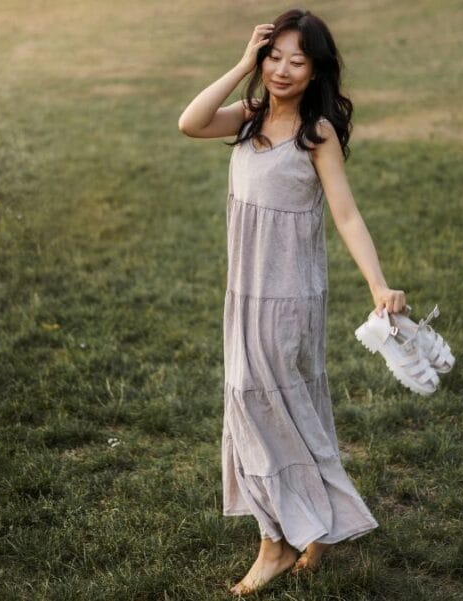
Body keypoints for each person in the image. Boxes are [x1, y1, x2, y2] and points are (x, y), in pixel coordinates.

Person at [177, 8, 407, 596]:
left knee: (262, 406)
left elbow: (348, 214)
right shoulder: (250, 118)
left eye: (296, 60)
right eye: (273, 56)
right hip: (244, 293)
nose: (282, 69)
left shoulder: (317, 132)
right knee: (268, 406)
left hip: (289, 297)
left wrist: (378, 285)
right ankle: (311, 523)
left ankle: (275, 544)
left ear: (315, 71)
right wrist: (240, 63)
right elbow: (190, 121)